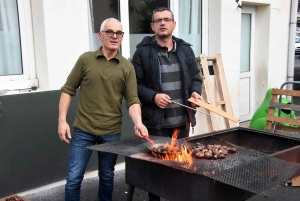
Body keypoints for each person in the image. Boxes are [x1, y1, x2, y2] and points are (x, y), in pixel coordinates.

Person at [58, 18, 148, 201]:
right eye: (110, 32)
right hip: (83, 130)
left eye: (119, 33)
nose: (115, 36)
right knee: (74, 178)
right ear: (101, 35)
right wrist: (62, 120)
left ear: (122, 37)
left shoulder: (127, 66)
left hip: (111, 132)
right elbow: (68, 90)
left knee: (107, 177)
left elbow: (132, 100)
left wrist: (138, 122)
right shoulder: (85, 59)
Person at [131, 7, 203, 201]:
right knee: (156, 171)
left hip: (182, 122)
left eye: (166, 19)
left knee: (180, 168)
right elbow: (134, 86)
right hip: (156, 124)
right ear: (152, 26)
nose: (163, 23)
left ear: (173, 24)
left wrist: (196, 91)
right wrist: (153, 96)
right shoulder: (142, 53)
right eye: (158, 20)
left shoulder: (186, 49)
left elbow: (196, 77)